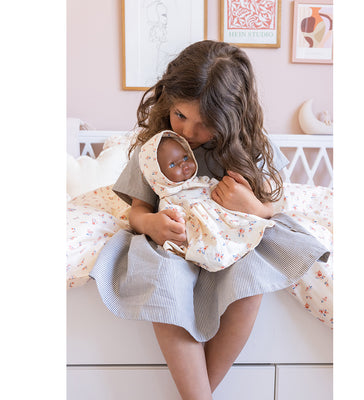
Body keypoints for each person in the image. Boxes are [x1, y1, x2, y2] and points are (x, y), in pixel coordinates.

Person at [90, 40, 330, 400]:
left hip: (231, 240)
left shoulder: (251, 148)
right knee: (162, 277)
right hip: (176, 243)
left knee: (251, 276)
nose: (188, 132)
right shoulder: (156, 149)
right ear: (168, 102)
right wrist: (151, 224)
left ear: (232, 118)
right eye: (180, 115)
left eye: (205, 124)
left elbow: (277, 205)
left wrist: (254, 207)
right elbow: (137, 211)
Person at [139, 130, 276, 272]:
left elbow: (218, 191)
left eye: (185, 157)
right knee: (209, 247)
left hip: (219, 219)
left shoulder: (202, 181)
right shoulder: (168, 200)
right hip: (198, 229)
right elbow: (173, 221)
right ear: (158, 175)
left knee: (242, 229)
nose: (184, 165)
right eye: (173, 165)